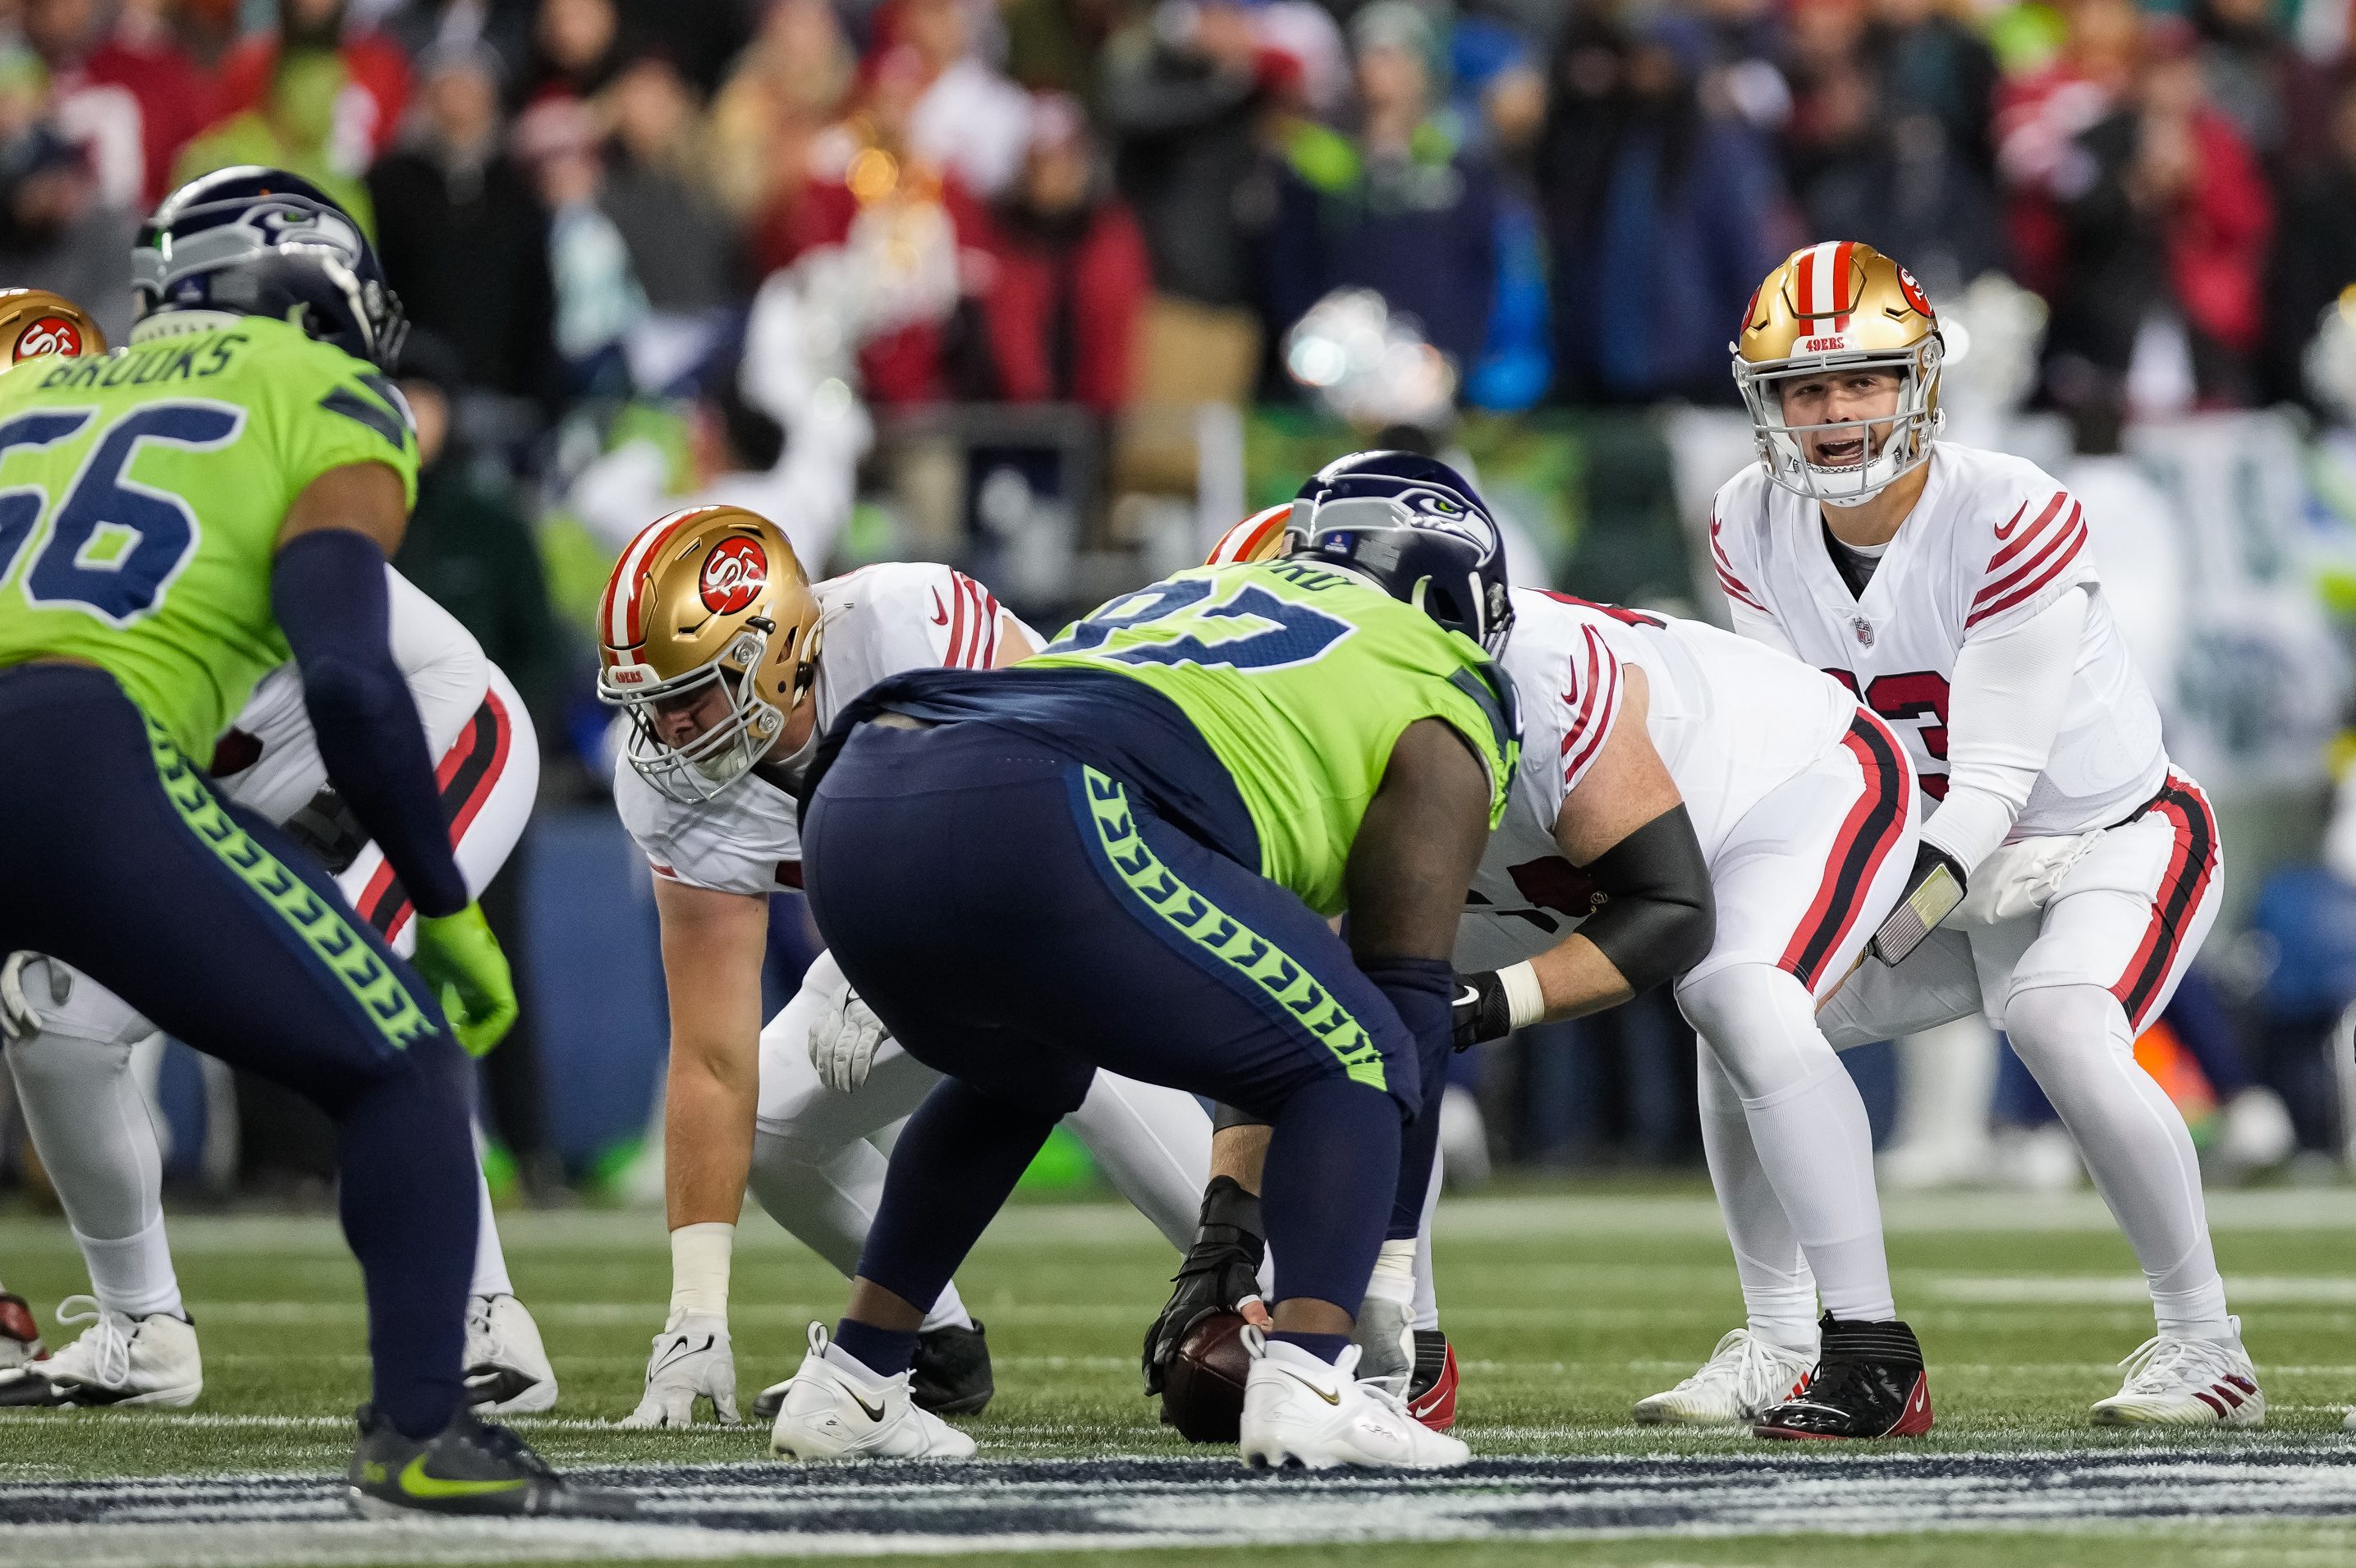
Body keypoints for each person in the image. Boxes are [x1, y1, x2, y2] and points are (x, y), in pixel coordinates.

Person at [0, 167, 617, 1514]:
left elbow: (370, 689)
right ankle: (144, 1327)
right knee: (57, 1012)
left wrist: (432, 890)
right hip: (185, 745)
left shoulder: (37, 395)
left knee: (376, 982)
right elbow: (337, 662)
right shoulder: (311, 395)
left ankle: (484, 1341)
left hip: (429, 727)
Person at [761, 451, 1518, 1470]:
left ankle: (853, 1377)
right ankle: (1306, 1378)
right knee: (1363, 1051)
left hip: (862, 791)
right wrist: (1375, 1281)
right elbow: (1408, 992)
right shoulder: (1439, 674)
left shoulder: (1197, 585)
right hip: (1047, 808)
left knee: (1023, 1062)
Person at [1167, 496, 1930, 1440]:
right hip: (1542, 861)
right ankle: (1398, 1350)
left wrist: (1484, 1003)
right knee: (1344, 1021)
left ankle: (1871, 1348)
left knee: (1736, 991)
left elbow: (1668, 909)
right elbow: (1292, 991)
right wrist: (1224, 1231)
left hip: (1784, 787)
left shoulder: (1547, 677)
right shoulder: (1302, 728)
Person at [1711, 239, 2258, 1426]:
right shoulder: (1743, 518)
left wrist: (1871, 915)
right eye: (1807, 389)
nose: (1837, 412)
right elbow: (1797, 745)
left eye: (1861, 380)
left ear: (1918, 381)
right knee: (1735, 1003)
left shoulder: (2010, 505)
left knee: (2056, 1016)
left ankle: (2204, 1340)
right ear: (1767, 405)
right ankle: (1774, 1334)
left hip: (2103, 836)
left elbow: (1997, 779)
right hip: (1942, 857)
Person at [597, 507, 1217, 1428]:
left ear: (772, 651)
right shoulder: (670, 781)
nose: (666, 727)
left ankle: (1293, 1304)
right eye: (648, 702)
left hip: (1093, 894)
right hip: (912, 941)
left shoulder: (905, 624)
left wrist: (884, 966)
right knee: (768, 1115)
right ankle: (924, 1345)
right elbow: (710, 1058)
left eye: (690, 692)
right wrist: (695, 1311)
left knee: (1060, 1034)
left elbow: (1044, 823)